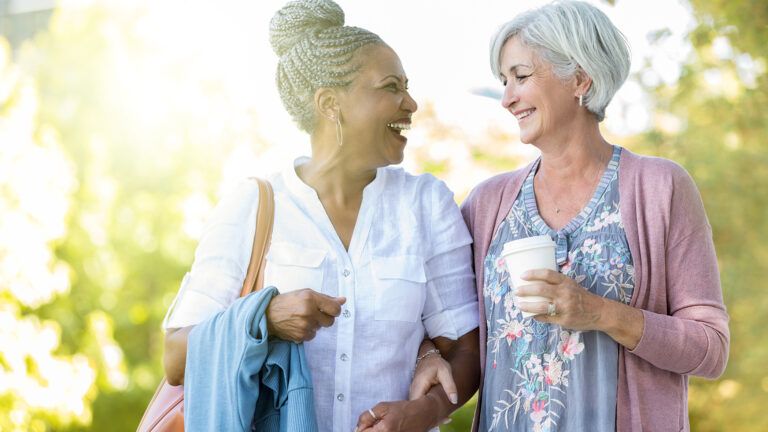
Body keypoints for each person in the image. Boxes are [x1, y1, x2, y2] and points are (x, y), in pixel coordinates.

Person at [161, 0, 480, 430]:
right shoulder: (253, 205)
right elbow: (177, 358)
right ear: (330, 103)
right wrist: (266, 318)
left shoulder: (425, 204)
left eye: (407, 86)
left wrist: (424, 412)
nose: (411, 103)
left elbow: (465, 346)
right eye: (390, 87)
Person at [460, 1, 730, 431]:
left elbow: (711, 348)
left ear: (581, 79)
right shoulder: (486, 204)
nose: (507, 98)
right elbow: (458, 340)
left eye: (521, 76)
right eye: (503, 81)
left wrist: (599, 313)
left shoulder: (660, 188)